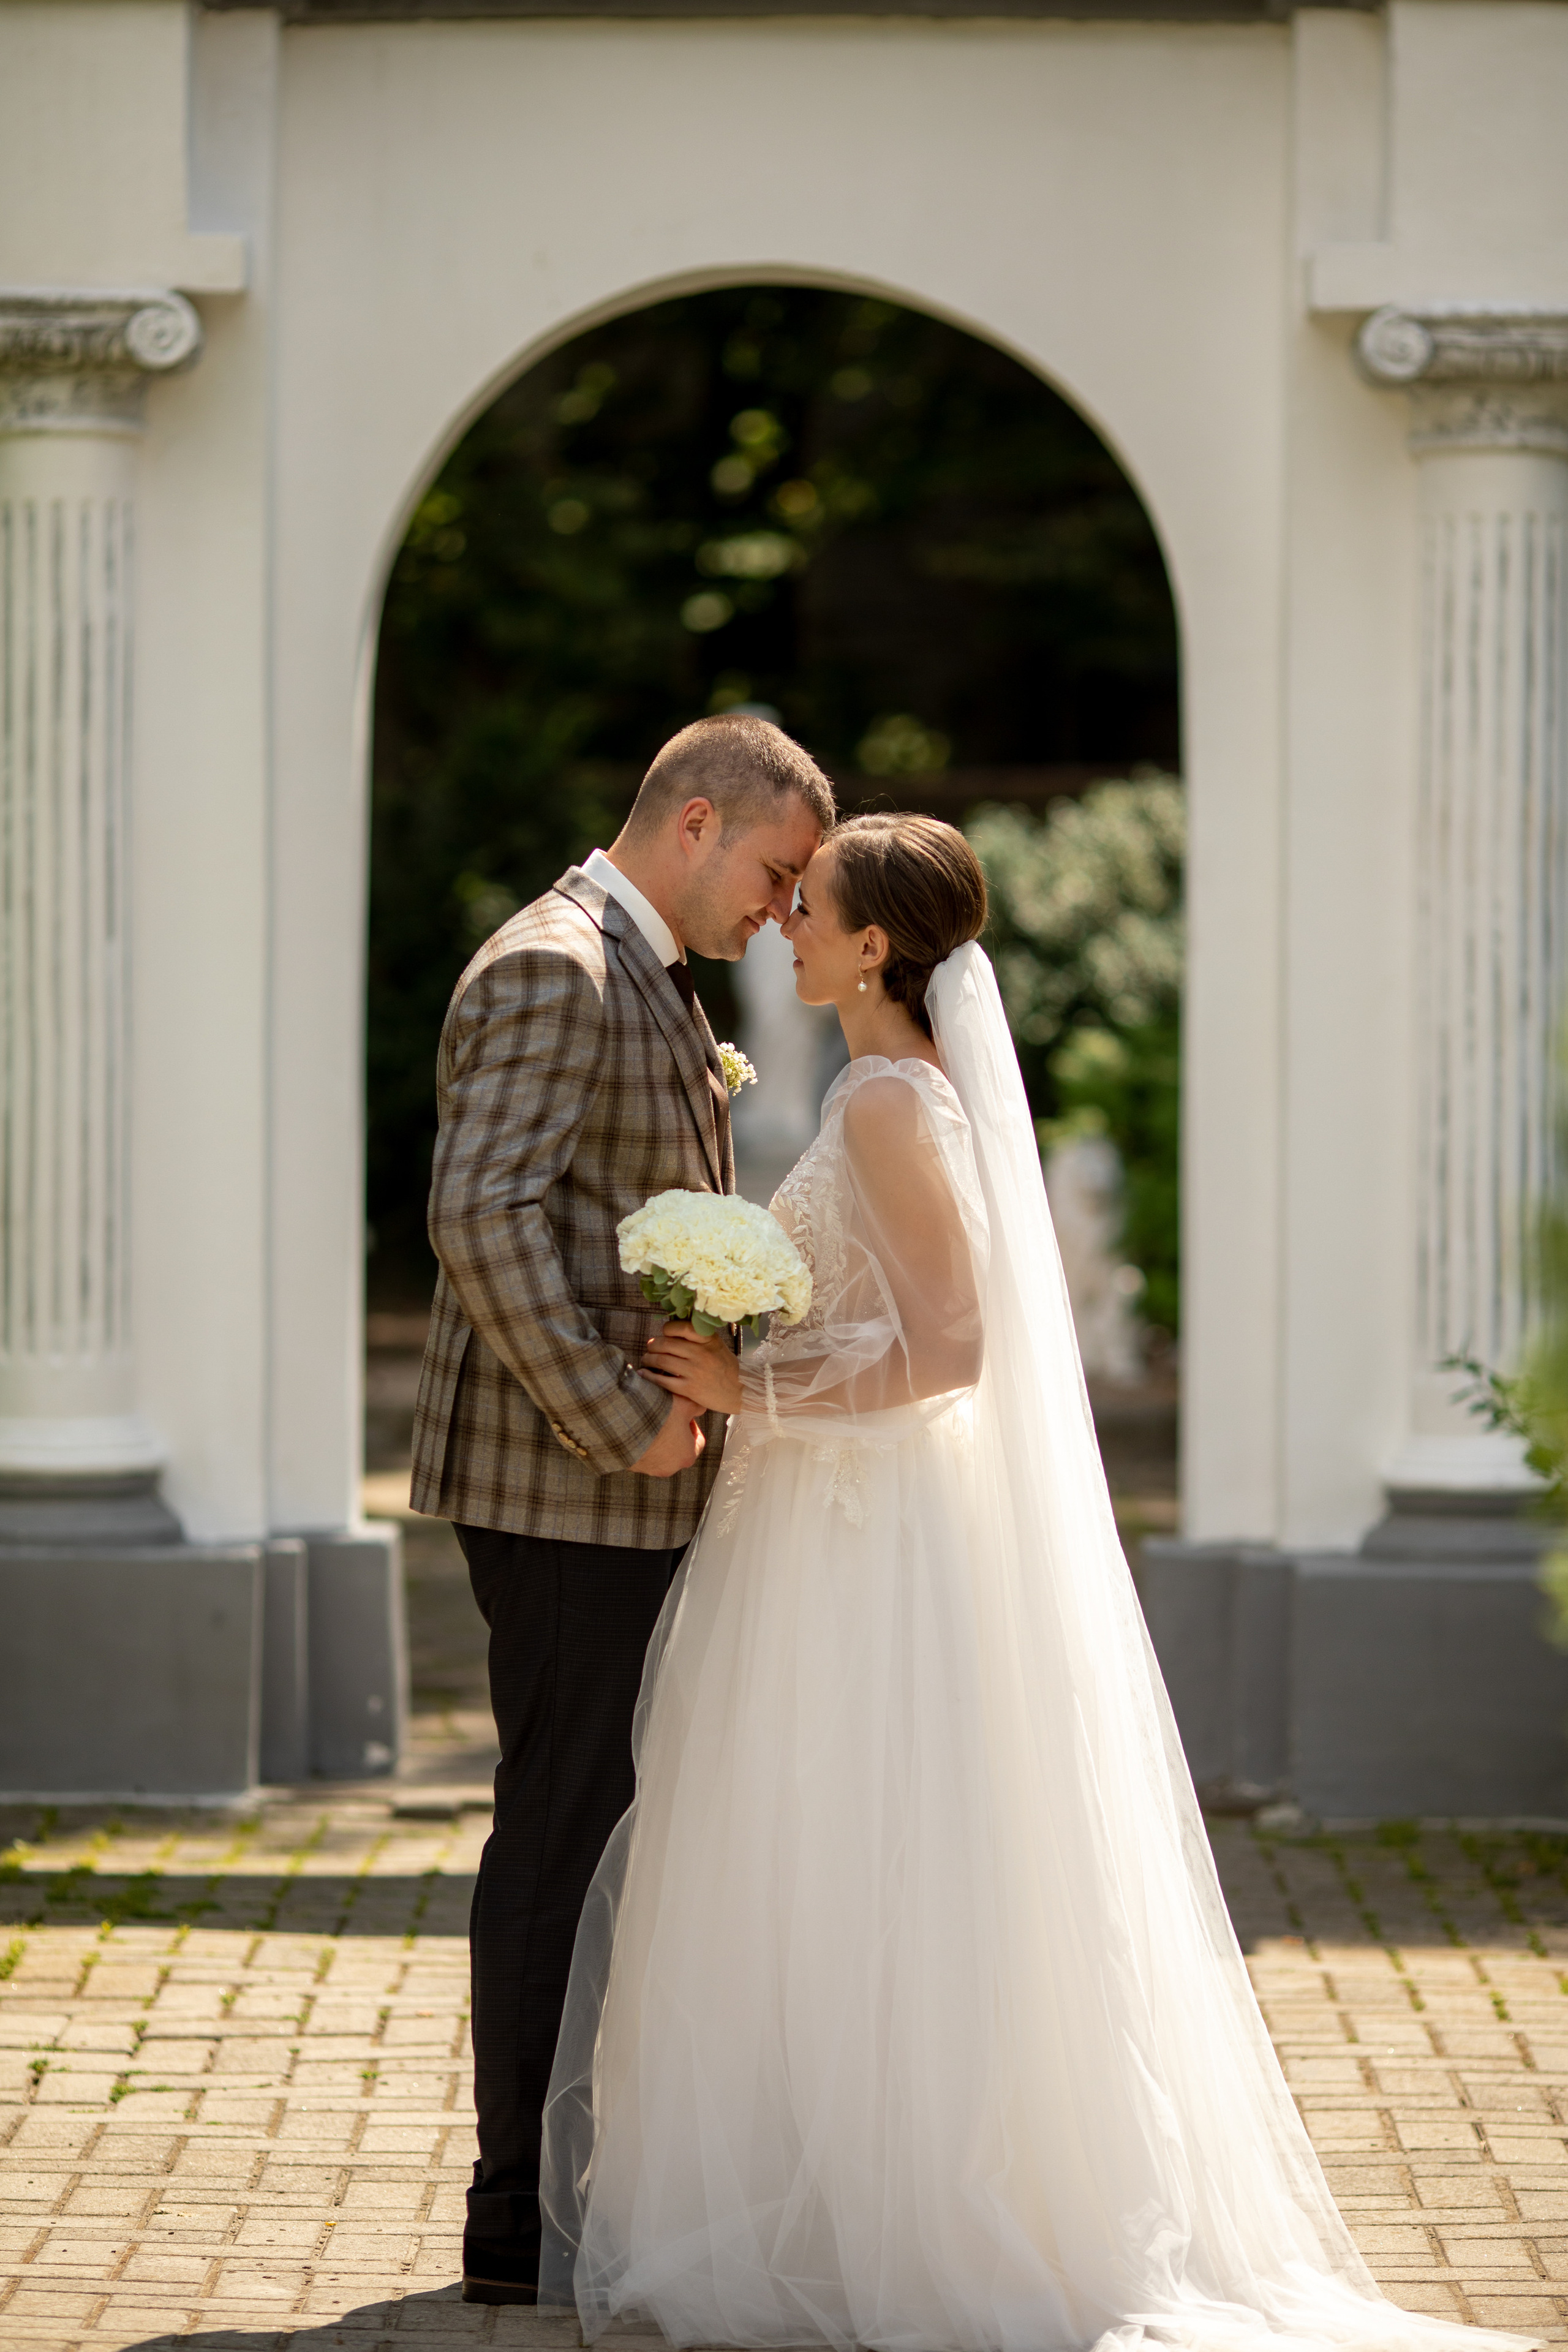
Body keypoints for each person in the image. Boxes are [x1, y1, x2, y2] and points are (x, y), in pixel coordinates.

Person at [538, 813, 1532, 2352]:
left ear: (877, 947)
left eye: (814, 911)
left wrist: (753, 1394)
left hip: (860, 1533)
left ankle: (892, 2212)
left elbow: (952, 1353)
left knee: (854, 1851)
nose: (787, 925)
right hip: (843, 1520)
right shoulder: (899, 1091)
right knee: (853, 1854)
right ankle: (848, 2192)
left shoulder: (883, 1100)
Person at [409, 713, 834, 2306]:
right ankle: (511, 2217)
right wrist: (628, 1419)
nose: (784, 915)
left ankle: (572, 2182)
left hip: (628, 1481)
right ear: (700, 823)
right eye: (780, 876)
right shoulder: (558, 966)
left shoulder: (647, 971)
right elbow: (479, 1218)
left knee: (606, 1834)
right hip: (567, 1487)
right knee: (561, 1828)